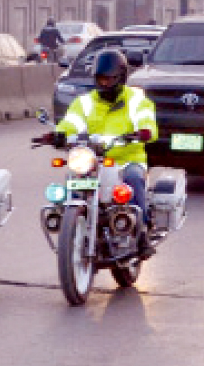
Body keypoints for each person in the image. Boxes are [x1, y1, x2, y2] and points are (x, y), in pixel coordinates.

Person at [47, 49, 158, 258]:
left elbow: (146, 120)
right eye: (100, 79)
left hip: (127, 160)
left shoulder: (136, 99)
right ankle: (70, 229)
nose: (104, 84)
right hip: (93, 161)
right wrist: (58, 135)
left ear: (121, 78)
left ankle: (142, 233)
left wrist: (143, 132)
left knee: (134, 178)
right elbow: (71, 122)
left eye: (109, 79)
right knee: (72, 182)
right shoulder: (85, 102)